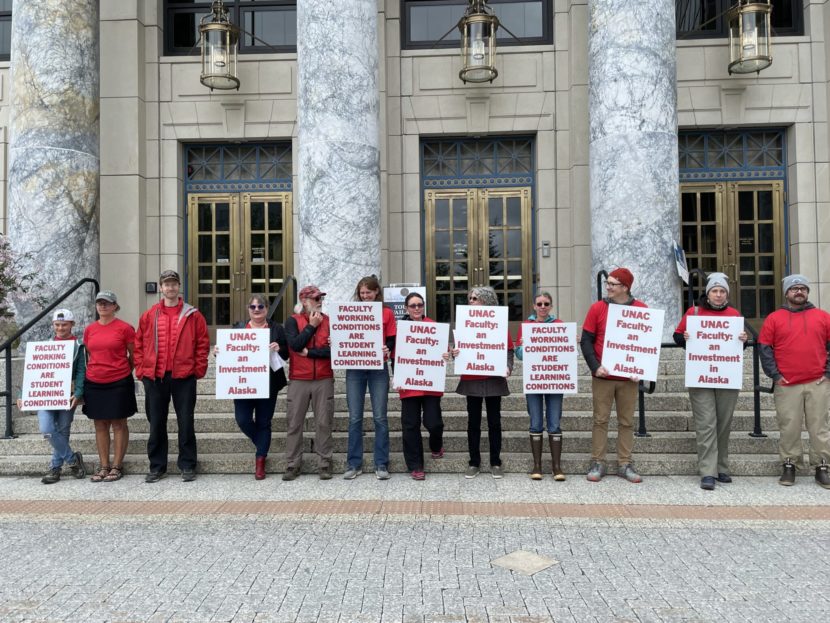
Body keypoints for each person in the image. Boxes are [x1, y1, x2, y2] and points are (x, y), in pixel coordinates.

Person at [134, 270, 209, 483]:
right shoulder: (150, 315)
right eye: (166, 284)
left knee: (186, 422)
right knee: (156, 422)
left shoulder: (193, 315)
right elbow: (139, 343)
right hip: (155, 378)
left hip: (183, 377)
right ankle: (157, 466)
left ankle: (188, 465)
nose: (170, 288)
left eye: (174, 284)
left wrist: (198, 368)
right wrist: (141, 369)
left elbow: (202, 343)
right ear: (161, 288)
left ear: (179, 287)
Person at [673, 273, 747, 490]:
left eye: (722, 291)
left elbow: (737, 347)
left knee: (724, 423)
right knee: (706, 424)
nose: (718, 294)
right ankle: (708, 471)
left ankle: (722, 467)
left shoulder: (734, 315)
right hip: (701, 374)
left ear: (727, 294)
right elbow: (677, 336)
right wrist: (685, 338)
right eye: (714, 291)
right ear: (708, 293)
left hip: (726, 375)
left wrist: (743, 340)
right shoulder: (694, 312)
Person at [758, 274, 830, 488]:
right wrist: (776, 375)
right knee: (789, 426)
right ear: (787, 293)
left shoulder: (823, 317)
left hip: (818, 381)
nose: (799, 292)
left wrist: (828, 373)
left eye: (803, 288)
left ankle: (822, 465)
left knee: (819, 427)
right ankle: (790, 464)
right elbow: (764, 348)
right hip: (787, 383)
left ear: (807, 292)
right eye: (794, 288)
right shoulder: (774, 318)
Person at [580, 267, 646, 483]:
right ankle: (598, 461)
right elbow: (586, 340)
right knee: (600, 420)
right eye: (607, 283)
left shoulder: (641, 309)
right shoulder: (597, 308)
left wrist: (641, 368)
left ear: (625, 287)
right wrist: (595, 366)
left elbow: (645, 343)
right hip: (603, 376)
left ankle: (624, 463)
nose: (607, 287)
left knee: (626, 422)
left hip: (628, 379)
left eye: (612, 284)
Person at [17, 309, 87, 484]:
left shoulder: (78, 346)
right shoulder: (45, 345)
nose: (61, 328)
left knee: (63, 430)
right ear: (53, 325)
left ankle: (55, 468)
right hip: (45, 394)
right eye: (57, 325)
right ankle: (72, 459)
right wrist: (23, 393)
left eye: (64, 324)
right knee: (46, 429)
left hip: (67, 394)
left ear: (72, 325)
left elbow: (81, 372)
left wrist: (78, 393)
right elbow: (33, 371)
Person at [451, 286, 513, 479]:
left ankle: (496, 462)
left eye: (475, 298)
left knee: (494, 422)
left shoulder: (499, 322)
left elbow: (508, 350)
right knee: (473, 422)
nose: (471, 300)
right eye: (470, 297)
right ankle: (474, 462)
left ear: (486, 300)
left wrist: (508, 367)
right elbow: (460, 349)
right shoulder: (464, 323)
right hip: (472, 379)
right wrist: (455, 354)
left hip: (494, 380)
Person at [227, 293, 288, 480]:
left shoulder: (277, 329)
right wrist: (219, 352)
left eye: (260, 307)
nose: (256, 310)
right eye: (253, 307)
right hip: (243, 383)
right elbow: (230, 353)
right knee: (243, 419)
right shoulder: (238, 328)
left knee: (264, 422)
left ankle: (260, 460)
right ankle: (262, 443)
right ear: (248, 309)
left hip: (269, 383)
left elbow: (286, 355)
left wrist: (279, 348)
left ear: (267, 309)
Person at [343, 276, 396, 480]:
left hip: (378, 367)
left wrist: (387, 347)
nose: (365, 296)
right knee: (355, 417)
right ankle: (353, 463)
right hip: (355, 367)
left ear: (376, 293)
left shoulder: (386, 313)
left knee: (380, 417)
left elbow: (391, 339)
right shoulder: (350, 313)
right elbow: (342, 335)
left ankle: (381, 463)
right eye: (362, 293)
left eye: (369, 292)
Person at [82, 291, 137, 482]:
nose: (103, 306)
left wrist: (122, 371)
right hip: (95, 381)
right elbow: (90, 352)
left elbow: (134, 355)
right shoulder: (90, 329)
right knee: (100, 423)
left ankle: (117, 465)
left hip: (119, 381)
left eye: (107, 303)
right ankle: (103, 465)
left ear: (115, 306)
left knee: (119, 423)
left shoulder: (125, 328)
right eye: (99, 303)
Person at [283, 284, 335, 481]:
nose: (319, 301)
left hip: (323, 377)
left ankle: (324, 462)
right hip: (299, 379)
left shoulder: (330, 321)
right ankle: (292, 464)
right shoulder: (292, 321)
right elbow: (295, 346)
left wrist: (311, 353)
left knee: (323, 422)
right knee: (294, 423)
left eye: (320, 298)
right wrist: (311, 326)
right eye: (315, 298)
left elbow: (334, 352)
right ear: (304, 301)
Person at [515, 291, 566, 481]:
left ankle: (556, 467)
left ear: (551, 306)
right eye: (539, 304)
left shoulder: (559, 325)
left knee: (554, 423)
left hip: (555, 380)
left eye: (546, 304)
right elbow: (519, 355)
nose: (543, 307)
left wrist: (572, 341)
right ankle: (537, 466)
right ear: (534, 306)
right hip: (535, 379)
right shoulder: (527, 326)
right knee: (535, 422)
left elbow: (567, 353)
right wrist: (522, 346)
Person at [396, 292, 446, 480]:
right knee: (410, 425)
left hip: (430, 384)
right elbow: (395, 354)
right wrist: (397, 375)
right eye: (412, 305)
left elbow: (441, 350)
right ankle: (416, 465)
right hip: (409, 384)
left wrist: (445, 355)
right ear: (407, 309)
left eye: (419, 305)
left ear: (423, 306)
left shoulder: (433, 326)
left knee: (433, 423)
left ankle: (436, 445)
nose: (416, 308)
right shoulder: (401, 328)